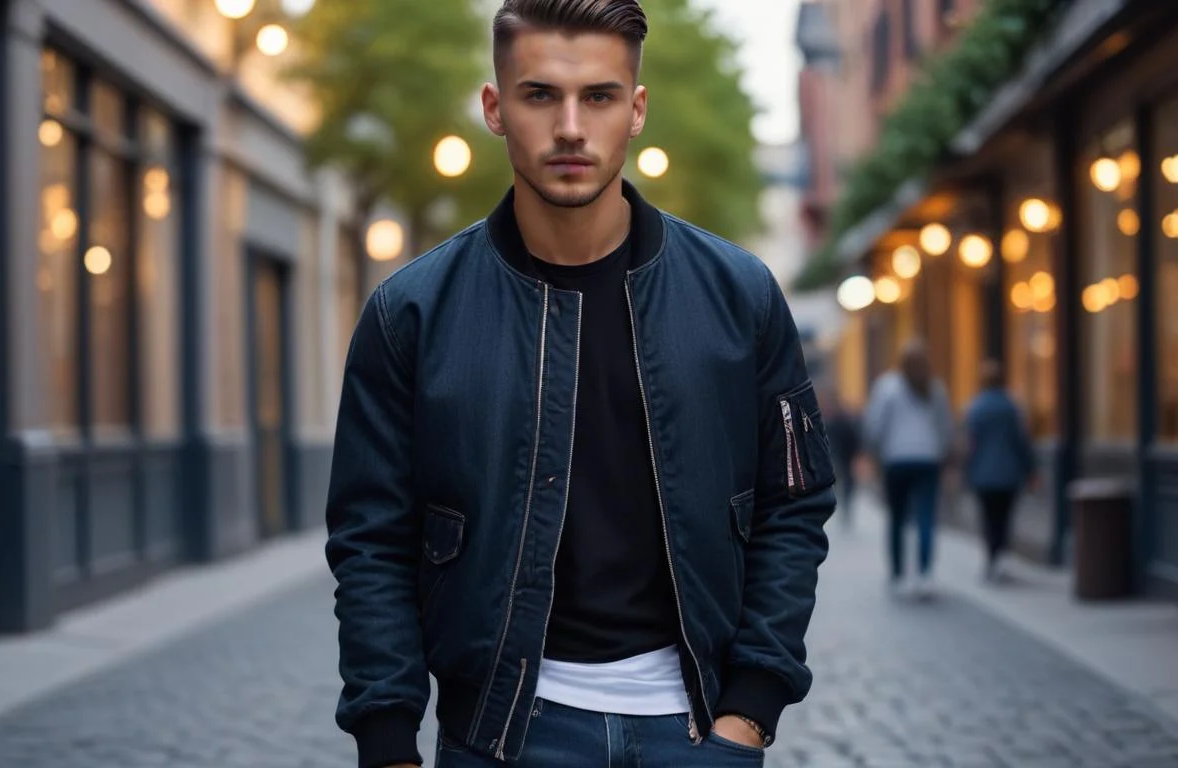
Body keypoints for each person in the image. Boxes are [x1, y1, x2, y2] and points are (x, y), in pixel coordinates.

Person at [324, 1, 837, 766]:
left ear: (635, 110)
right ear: (495, 108)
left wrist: (749, 715)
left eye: (597, 96)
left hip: (696, 730)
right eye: (540, 95)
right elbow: (371, 541)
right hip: (502, 734)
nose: (570, 127)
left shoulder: (741, 296)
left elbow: (793, 510)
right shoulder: (413, 314)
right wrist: (389, 741)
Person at [862, 339, 954, 599]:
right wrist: (945, 453)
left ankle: (898, 574)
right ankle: (925, 574)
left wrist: (874, 451)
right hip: (928, 458)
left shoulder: (887, 387)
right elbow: (946, 426)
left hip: (896, 459)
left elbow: (875, 425)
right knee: (926, 516)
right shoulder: (935, 388)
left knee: (897, 518)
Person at [963, 360, 1036, 583]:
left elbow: (969, 443)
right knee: (1004, 517)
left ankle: (991, 558)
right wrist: (1030, 468)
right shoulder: (1011, 407)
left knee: (988, 517)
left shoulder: (975, 408)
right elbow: (1021, 441)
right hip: (1008, 471)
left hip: (983, 472)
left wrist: (967, 469)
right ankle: (1001, 557)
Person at [817, 384, 861, 528]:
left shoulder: (839, 419)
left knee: (845, 482)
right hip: (837, 456)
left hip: (841, 456)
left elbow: (852, 438)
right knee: (842, 482)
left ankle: (841, 506)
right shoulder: (827, 418)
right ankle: (837, 505)